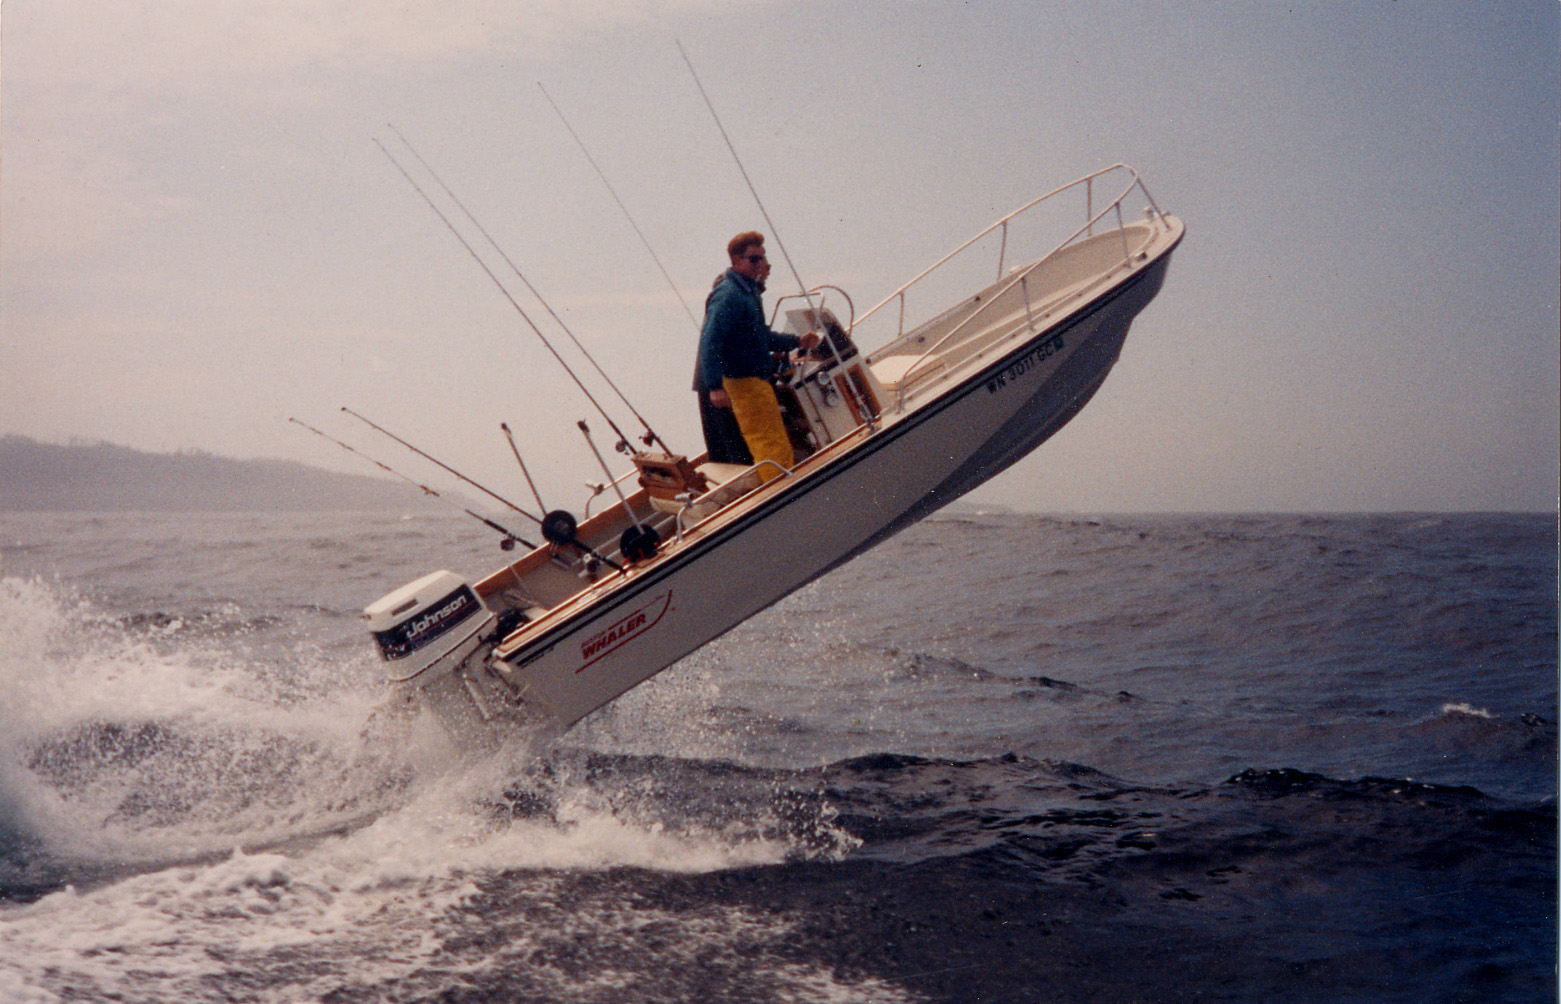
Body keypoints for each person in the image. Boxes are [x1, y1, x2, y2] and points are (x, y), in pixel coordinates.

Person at [695, 231, 818, 481]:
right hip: (744, 382)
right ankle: (780, 487)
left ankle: (782, 481)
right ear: (736, 261)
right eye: (753, 259)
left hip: (756, 381)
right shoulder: (729, 295)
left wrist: (797, 341)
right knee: (768, 442)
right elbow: (710, 341)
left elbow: (760, 336)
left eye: (762, 258)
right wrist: (715, 387)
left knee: (776, 440)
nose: (760, 264)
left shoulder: (747, 292)